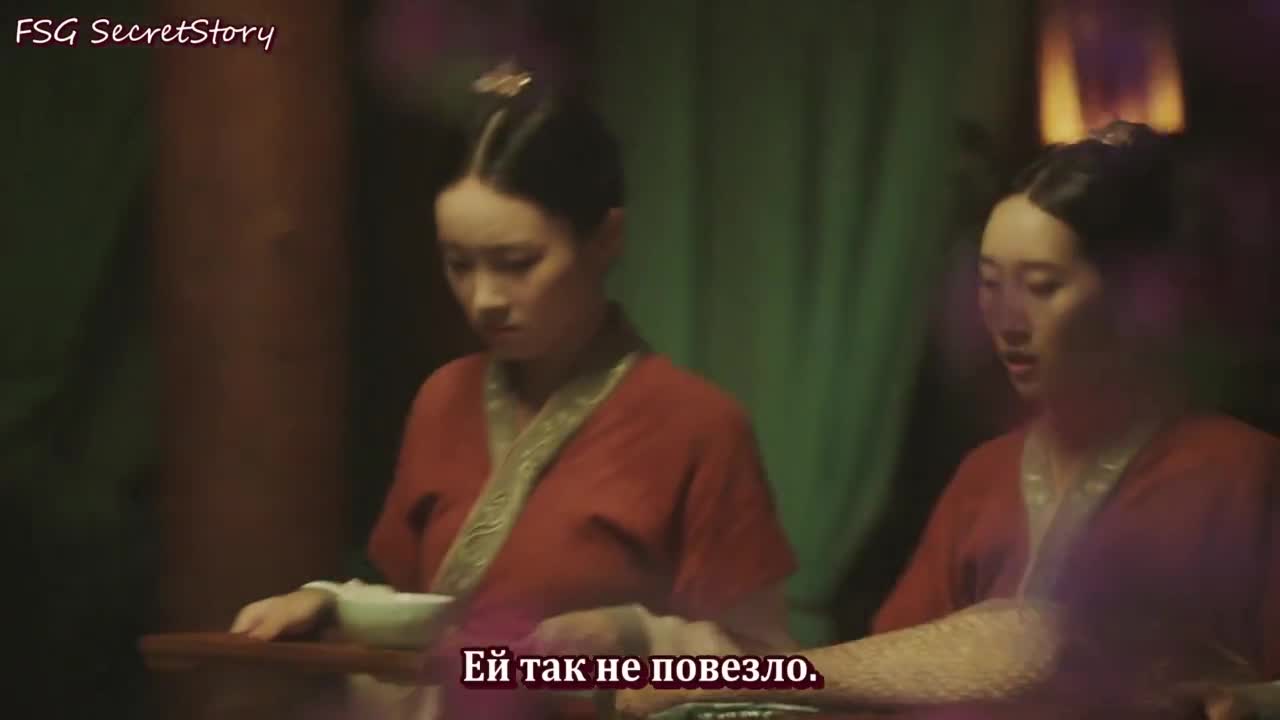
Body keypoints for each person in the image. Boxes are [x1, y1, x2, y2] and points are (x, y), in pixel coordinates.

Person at [617, 121, 1279, 719]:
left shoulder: (1241, 472)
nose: (1007, 320)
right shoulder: (984, 475)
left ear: (1131, 295)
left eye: (1042, 286)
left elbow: (1040, 647)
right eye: (990, 284)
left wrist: (1247, 701)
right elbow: (890, 677)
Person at [229, 61, 797, 717]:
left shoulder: (698, 424)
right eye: (459, 265)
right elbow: (416, 617)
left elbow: (769, 668)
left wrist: (630, 636)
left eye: (517, 263)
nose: (485, 299)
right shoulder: (442, 399)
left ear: (605, 239)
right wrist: (330, 604)